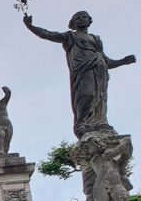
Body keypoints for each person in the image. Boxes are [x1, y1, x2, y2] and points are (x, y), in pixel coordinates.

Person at [23, 11, 135, 139]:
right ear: (73, 23)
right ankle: (82, 124)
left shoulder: (96, 39)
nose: (82, 19)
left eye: (84, 17)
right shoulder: (70, 37)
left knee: (99, 98)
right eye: (78, 18)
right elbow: (47, 34)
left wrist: (123, 61)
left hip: (99, 72)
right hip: (82, 71)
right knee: (86, 94)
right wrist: (30, 26)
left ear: (89, 20)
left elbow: (106, 60)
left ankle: (99, 122)